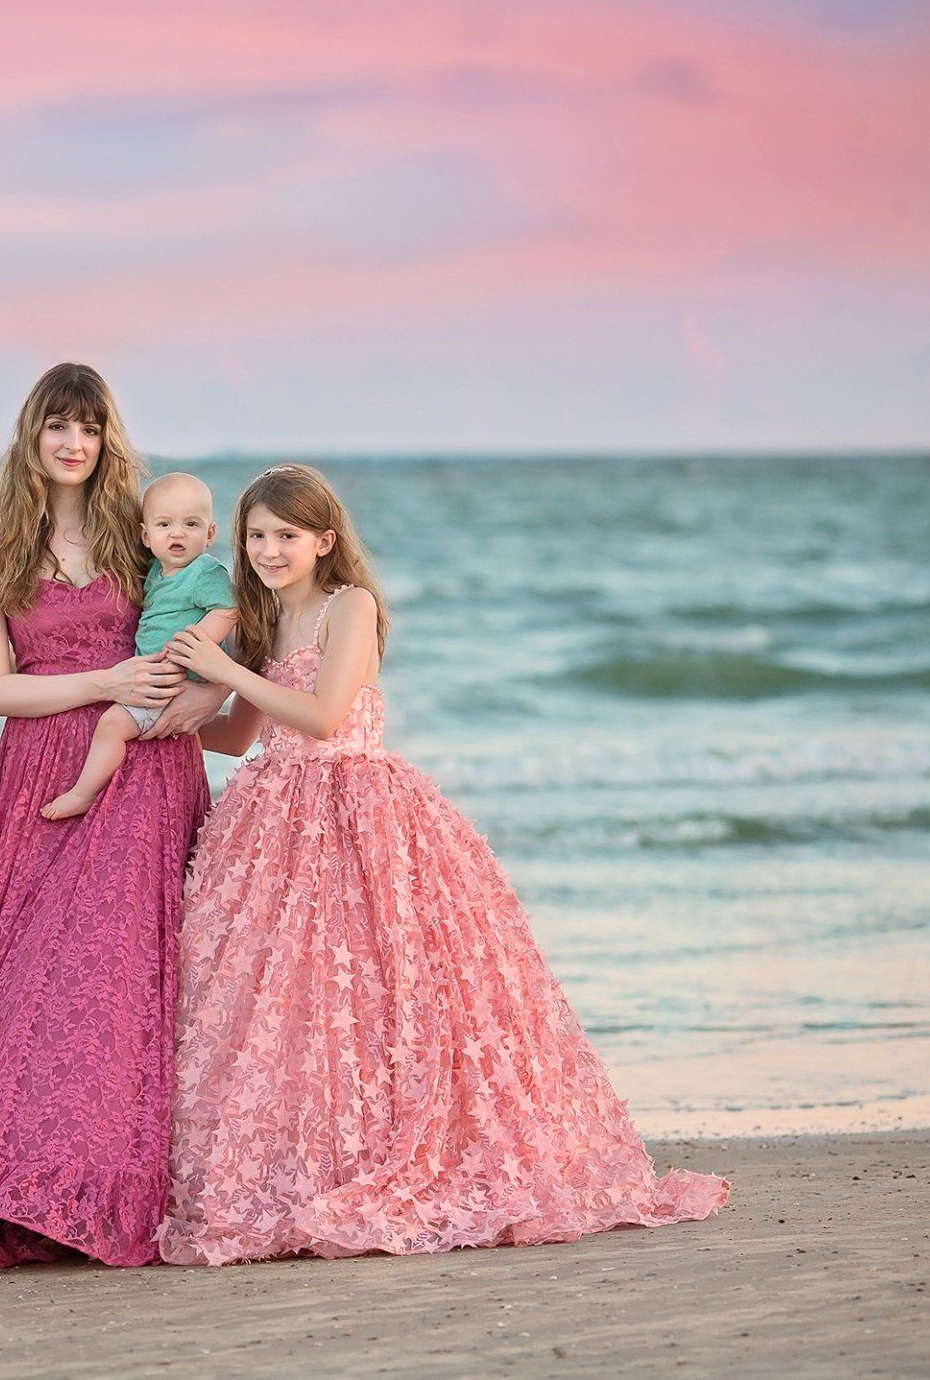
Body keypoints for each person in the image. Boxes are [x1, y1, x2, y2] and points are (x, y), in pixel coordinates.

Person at [155, 465, 730, 1265]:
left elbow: (323, 716)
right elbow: (244, 735)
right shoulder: (258, 620)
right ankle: (308, 1157)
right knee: (291, 1001)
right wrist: (164, 718)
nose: (268, 550)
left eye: (286, 536)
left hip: (359, 810)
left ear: (324, 541)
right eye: (256, 535)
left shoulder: (347, 605)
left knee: (387, 988)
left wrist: (225, 674)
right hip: (272, 820)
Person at [0, 363, 228, 1273]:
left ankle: (95, 1195)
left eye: (90, 428)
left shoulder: (146, 537)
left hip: (144, 778)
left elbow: (224, 618)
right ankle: (10, 1194)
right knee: (25, 991)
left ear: (108, 440)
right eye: (57, 426)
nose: (73, 443)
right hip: (35, 776)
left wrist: (197, 704)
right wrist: (105, 682)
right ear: (31, 437)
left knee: (114, 991)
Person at [40, 471, 235, 819]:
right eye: (164, 525)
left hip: (171, 683)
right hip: (158, 678)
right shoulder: (157, 572)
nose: (177, 533)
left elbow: (230, 610)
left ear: (210, 534)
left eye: (191, 524)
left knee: (112, 726)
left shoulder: (206, 572)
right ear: (145, 536)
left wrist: (195, 644)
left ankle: (83, 793)